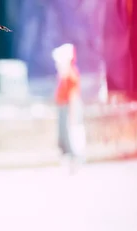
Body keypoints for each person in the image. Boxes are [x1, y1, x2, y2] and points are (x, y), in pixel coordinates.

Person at [52, 43, 84, 171]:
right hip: (64, 107)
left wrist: (72, 114)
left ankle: (75, 160)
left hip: (69, 108)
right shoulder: (64, 76)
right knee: (65, 135)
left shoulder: (71, 75)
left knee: (72, 134)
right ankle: (69, 159)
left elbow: (73, 97)